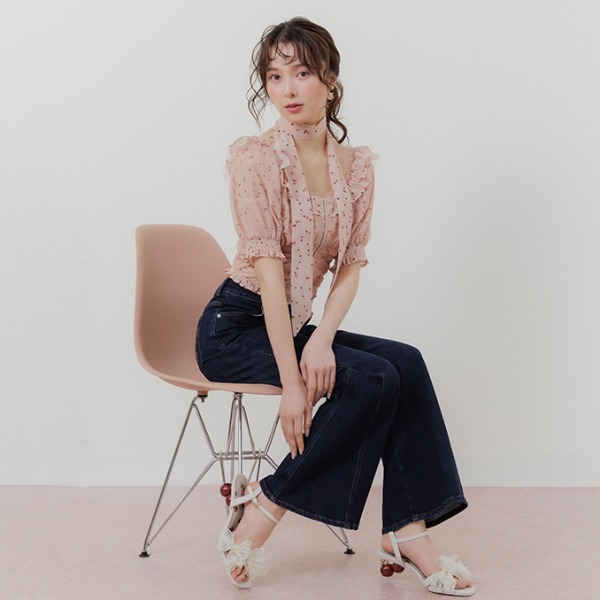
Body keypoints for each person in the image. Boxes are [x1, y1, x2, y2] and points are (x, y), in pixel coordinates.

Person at [195, 16, 475, 596]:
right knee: (371, 379)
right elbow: (269, 277)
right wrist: (294, 384)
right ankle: (264, 509)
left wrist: (321, 339)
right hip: (234, 327)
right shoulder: (255, 159)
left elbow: (350, 266)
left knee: (404, 362)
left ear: (330, 78)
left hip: (294, 323)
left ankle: (407, 530)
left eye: (301, 73)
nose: (288, 89)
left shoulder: (356, 166)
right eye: (275, 77)